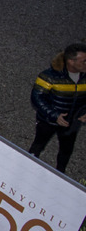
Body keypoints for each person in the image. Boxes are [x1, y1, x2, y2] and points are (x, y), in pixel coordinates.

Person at [28, 42, 86, 172]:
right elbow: (37, 98)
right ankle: (27, 167)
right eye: (84, 61)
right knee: (38, 145)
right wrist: (54, 115)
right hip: (48, 121)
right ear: (71, 61)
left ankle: (60, 174)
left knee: (66, 150)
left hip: (72, 123)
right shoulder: (49, 76)